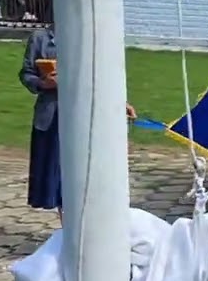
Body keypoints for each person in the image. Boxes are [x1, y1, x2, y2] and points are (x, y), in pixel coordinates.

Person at [20, 26, 136, 222]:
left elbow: (101, 75)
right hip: (53, 115)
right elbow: (26, 73)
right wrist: (43, 83)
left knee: (85, 173)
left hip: (85, 112)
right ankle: (67, 228)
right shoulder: (40, 38)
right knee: (57, 176)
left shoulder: (90, 34)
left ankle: (89, 224)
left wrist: (118, 102)